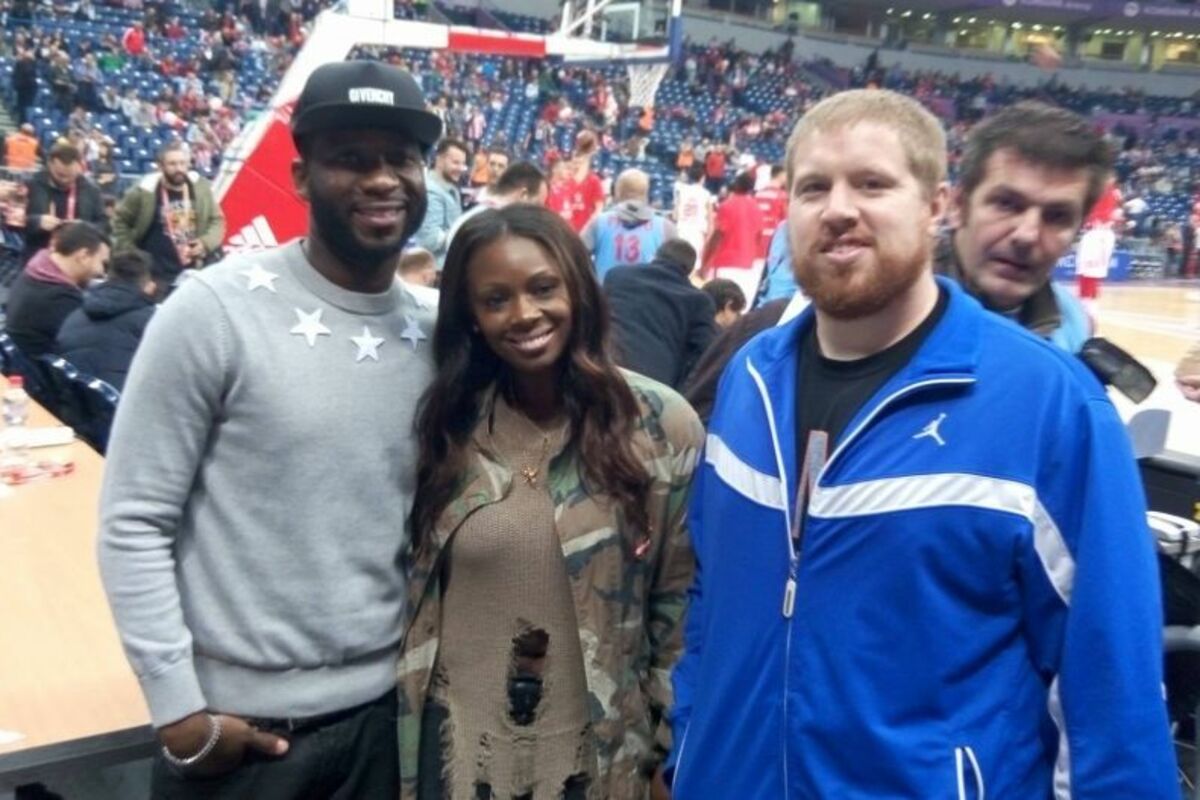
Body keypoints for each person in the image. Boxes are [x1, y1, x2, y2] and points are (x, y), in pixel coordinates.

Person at [668, 89, 1176, 797]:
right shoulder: (750, 376)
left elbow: (1112, 691)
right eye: (814, 187)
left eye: (872, 184)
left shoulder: (1052, 404)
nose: (838, 208)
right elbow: (711, 595)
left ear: (937, 205)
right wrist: (689, 743)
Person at [97, 60, 443, 798]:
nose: (382, 179)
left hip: (390, 720)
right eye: (351, 159)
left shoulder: (442, 331)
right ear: (300, 177)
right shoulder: (212, 311)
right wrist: (177, 711)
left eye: (401, 158)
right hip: (241, 734)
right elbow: (133, 519)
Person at [400, 203, 704, 800]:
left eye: (543, 288)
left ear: (578, 290)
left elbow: (680, 608)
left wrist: (672, 753)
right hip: (458, 758)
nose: (524, 314)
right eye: (496, 300)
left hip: (596, 762)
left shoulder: (659, 424)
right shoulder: (448, 424)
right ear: (471, 317)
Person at [940, 101, 1111, 354]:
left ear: (1077, 231)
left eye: (1057, 216)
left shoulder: (1073, 325)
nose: (1027, 235)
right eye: (1007, 204)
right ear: (957, 206)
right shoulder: (887, 305)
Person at [112, 141, 225, 299]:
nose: (178, 168)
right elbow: (120, 221)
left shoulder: (200, 189)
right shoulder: (144, 191)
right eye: (172, 164)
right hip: (155, 277)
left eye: (182, 163)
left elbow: (217, 221)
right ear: (160, 166)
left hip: (192, 272)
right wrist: (131, 252)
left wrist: (205, 244)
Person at [603, 238, 717, 388]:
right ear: (689, 270)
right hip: (655, 384)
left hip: (607, 367)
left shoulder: (617, 276)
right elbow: (704, 353)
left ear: (656, 257)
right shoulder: (699, 301)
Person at [5, 220, 110, 358]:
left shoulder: (33, 274)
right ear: (83, 256)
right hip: (41, 368)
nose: (102, 273)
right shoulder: (62, 298)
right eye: (103, 263)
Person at [54, 249, 157, 391]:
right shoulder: (151, 323)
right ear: (149, 286)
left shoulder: (77, 312)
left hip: (73, 397)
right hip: (119, 401)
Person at [582, 168, 676, 283]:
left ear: (617, 192)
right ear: (646, 193)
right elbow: (677, 268)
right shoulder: (665, 227)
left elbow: (576, 255)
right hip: (647, 292)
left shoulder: (599, 222)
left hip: (606, 291)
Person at [22, 140, 107, 265]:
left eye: (70, 175)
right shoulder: (31, 184)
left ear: (79, 166)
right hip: (37, 256)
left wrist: (84, 227)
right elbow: (13, 220)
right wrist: (37, 221)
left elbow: (104, 225)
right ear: (50, 164)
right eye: (60, 175)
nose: (65, 180)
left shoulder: (91, 190)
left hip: (76, 261)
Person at [447, 160, 547, 248]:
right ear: (524, 195)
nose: (537, 214)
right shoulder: (492, 228)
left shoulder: (478, 214)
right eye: (537, 205)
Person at [702, 170, 764, 300]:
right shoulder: (757, 208)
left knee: (718, 304)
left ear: (736, 185)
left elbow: (717, 236)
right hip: (748, 265)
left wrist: (705, 263)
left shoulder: (727, 205)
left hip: (725, 263)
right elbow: (759, 237)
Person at [412, 137, 466, 267]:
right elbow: (430, 240)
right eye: (455, 163)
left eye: (462, 164)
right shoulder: (431, 191)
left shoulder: (451, 188)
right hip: (434, 269)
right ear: (439, 160)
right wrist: (463, 233)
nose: (460, 168)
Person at [672, 163, 713, 273]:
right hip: (697, 232)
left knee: (678, 263)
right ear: (703, 178)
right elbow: (710, 220)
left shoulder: (682, 191)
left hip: (681, 230)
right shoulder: (706, 194)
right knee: (693, 265)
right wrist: (709, 236)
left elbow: (675, 215)